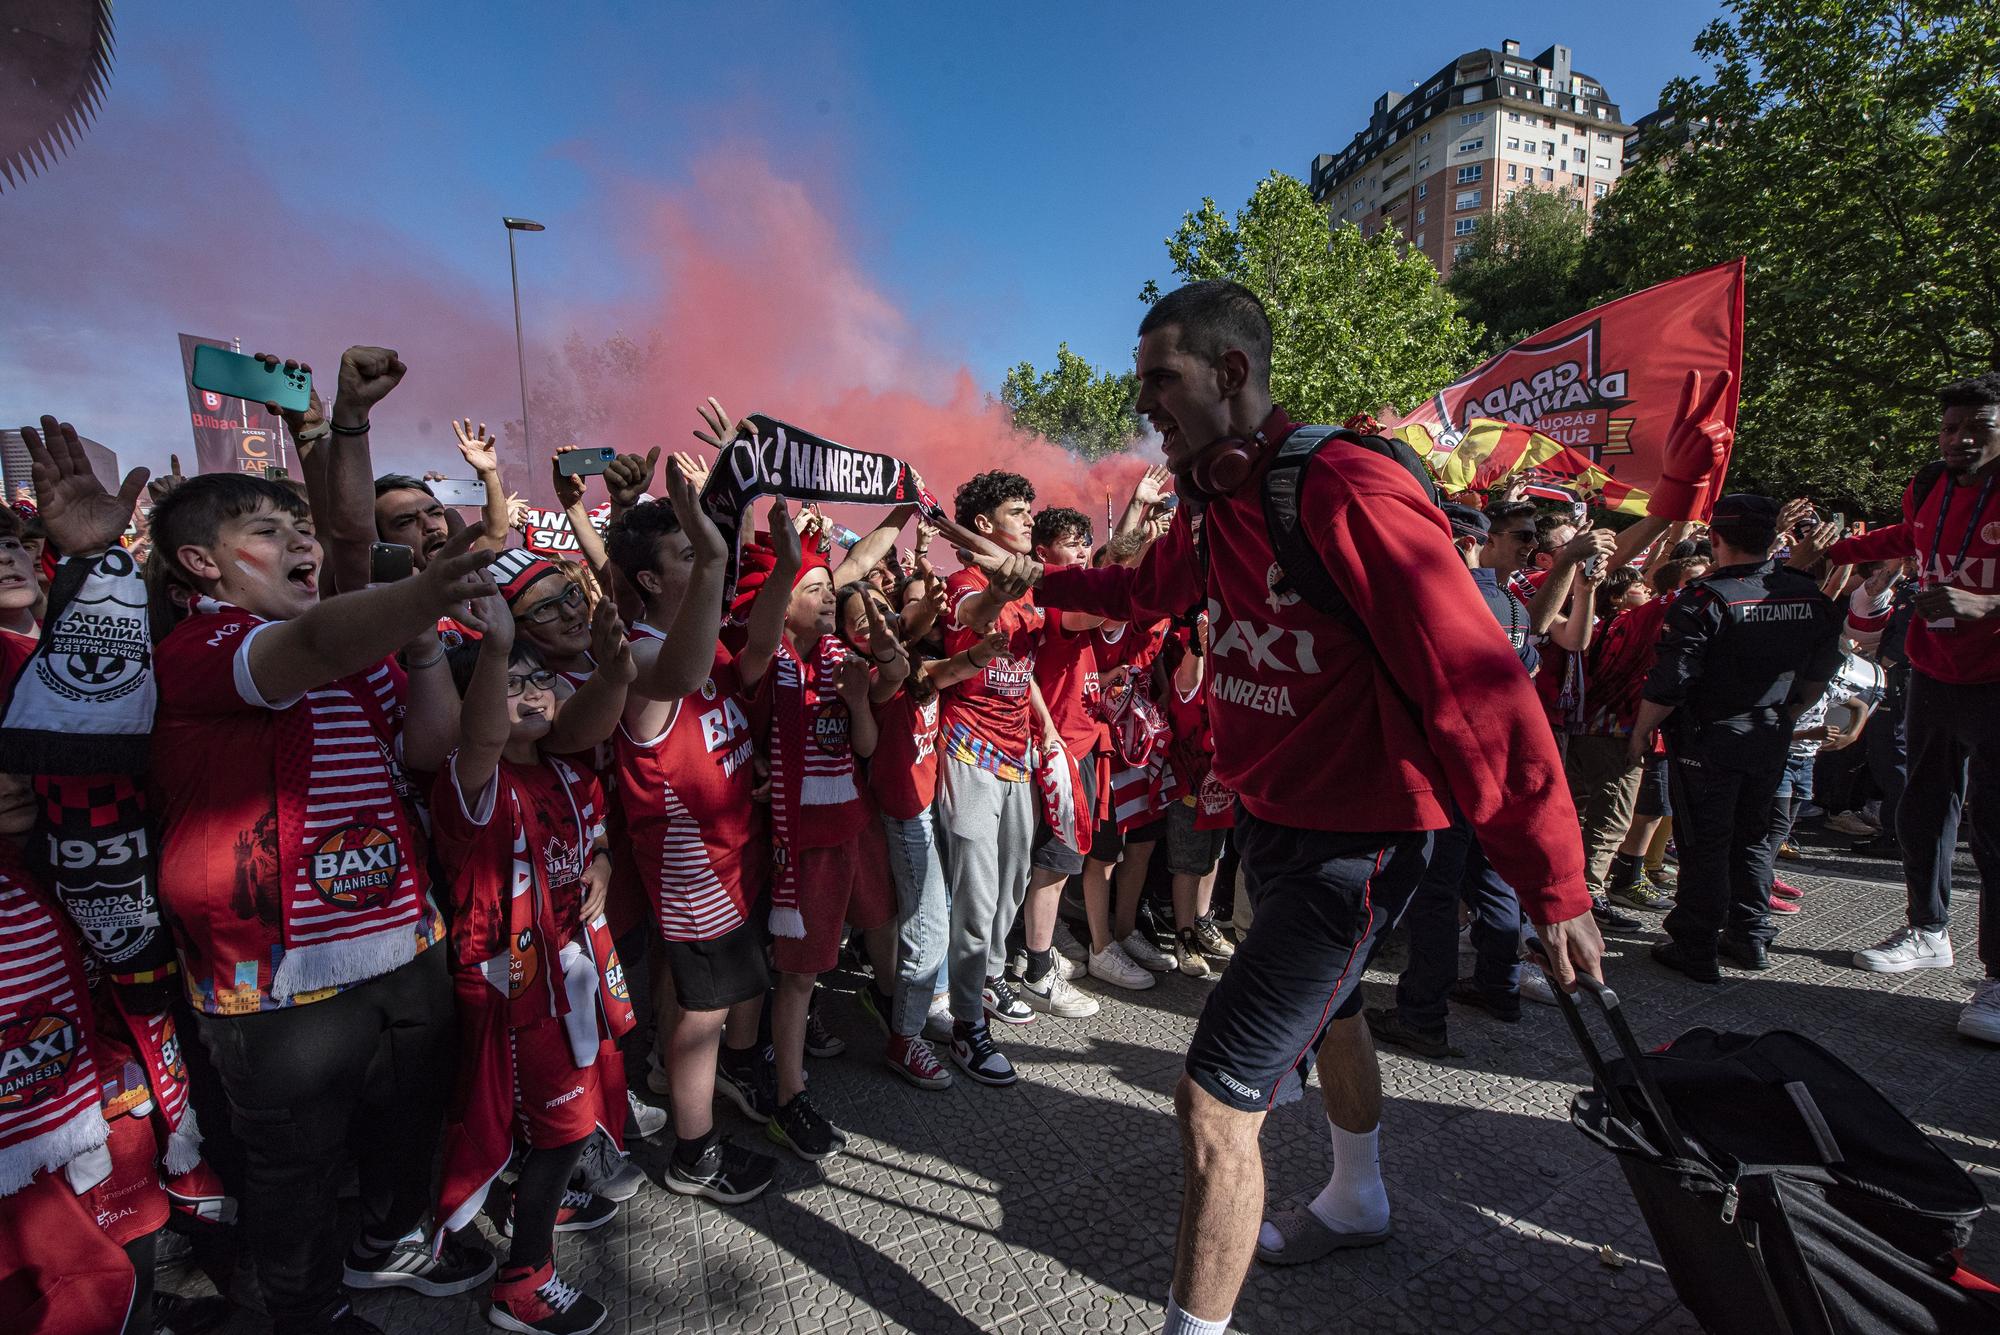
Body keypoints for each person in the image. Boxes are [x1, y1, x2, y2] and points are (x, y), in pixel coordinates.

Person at [975, 280, 1625, 1335]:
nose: (1143, 404)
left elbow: (1478, 691)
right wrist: (1032, 581)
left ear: (1228, 375)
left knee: (1211, 1104)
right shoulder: (1222, 502)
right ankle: (1358, 1198)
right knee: (1336, 1020)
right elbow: (1143, 594)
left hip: (1355, 844)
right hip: (1273, 822)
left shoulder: (1343, 489)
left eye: (1160, 380)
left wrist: (1554, 884)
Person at [145, 458, 502, 1333]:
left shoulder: (350, 644)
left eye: (297, 526)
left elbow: (429, 748)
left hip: (400, 941)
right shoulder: (206, 645)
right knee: (294, 1166)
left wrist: (421, 643)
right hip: (275, 975)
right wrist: (424, 593)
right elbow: (307, 650)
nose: (298, 540)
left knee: (405, 1121)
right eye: (265, 530)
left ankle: (384, 1244)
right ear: (202, 565)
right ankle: (305, 1308)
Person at [430, 590, 631, 1335]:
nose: (531, 692)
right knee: (563, 1129)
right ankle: (523, 1280)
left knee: (569, 1120)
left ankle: (533, 1200)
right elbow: (481, 739)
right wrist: (493, 647)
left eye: (536, 677)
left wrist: (602, 862)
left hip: (571, 978)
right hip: (514, 990)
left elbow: (595, 835)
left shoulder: (568, 771)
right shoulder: (471, 782)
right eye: (508, 683)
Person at [1797, 373, 2000, 1041]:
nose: (1959, 439)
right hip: (1934, 673)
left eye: (1978, 427)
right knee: (1921, 803)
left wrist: (1985, 605)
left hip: (1995, 679)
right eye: (1949, 427)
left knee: (1994, 825)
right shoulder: (1929, 485)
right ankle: (1927, 929)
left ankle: (1996, 978)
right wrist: (1832, 550)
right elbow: (1903, 536)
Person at [603, 472, 788, 1202]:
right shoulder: (644, 652)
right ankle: (694, 1155)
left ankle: (697, 1114)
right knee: (701, 1014)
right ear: (650, 577)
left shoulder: (695, 637)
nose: (706, 552)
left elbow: (756, 655)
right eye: (688, 550)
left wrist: (791, 567)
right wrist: (721, 556)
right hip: (693, 867)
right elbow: (679, 675)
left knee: (701, 1002)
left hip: (733, 850)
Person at [1632, 494, 1844, 982]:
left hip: (1710, 738)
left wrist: (1641, 731)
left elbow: (1673, 678)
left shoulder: (1707, 599)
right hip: (1769, 733)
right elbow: (1819, 671)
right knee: (1752, 837)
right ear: (1774, 538)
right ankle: (1749, 935)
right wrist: (1787, 713)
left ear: (1717, 539)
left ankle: (1695, 941)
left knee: (1705, 841)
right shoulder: (1807, 595)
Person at [936, 471, 1047, 1081]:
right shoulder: (964, 584)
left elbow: (1022, 669)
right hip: (970, 755)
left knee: (1014, 883)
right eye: (1017, 511)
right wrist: (1000, 596)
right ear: (983, 525)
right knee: (976, 899)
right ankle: (966, 1027)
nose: (1030, 519)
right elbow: (975, 618)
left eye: (1031, 510)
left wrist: (1045, 732)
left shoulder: (1030, 587)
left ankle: (988, 983)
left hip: (1017, 757)